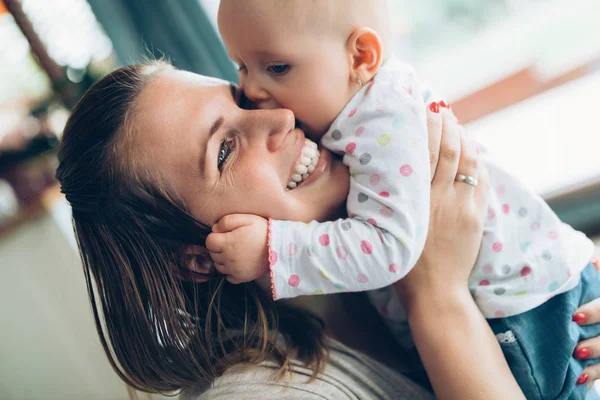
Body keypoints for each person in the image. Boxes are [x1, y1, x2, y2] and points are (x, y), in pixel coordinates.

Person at [55, 61, 600, 399]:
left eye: (244, 99)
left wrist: (555, 298)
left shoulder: (359, 266)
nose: (280, 119)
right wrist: (436, 294)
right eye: (224, 151)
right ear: (197, 257)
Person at [209, 1, 600, 397]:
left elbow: (389, 248)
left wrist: (274, 251)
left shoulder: (381, 123)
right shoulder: (352, 110)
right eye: (241, 66)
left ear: (361, 56)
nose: (251, 90)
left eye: (276, 68)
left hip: (523, 307)